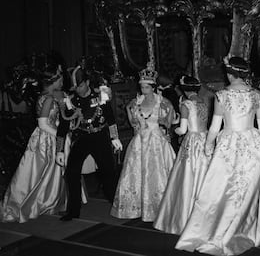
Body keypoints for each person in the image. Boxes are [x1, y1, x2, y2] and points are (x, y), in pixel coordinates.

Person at [175, 56, 260, 256]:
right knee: (246, 191)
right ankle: (241, 229)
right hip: (252, 144)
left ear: (229, 74)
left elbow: (215, 127)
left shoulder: (222, 95)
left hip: (228, 144)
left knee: (220, 189)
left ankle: (217, 230)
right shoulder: (258, 95)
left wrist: (208, 146)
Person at [0, 65, 66, 222]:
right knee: (45, 170)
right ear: (53, 82)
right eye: (60, 79)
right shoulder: (49, 98)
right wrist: (61, 134)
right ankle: (41, 201)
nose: (62, 81)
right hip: (47, 137)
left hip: (43, 136)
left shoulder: (45, 95)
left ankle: (45, 199)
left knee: (38, 172)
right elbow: (43, 123)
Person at [110, 63, 176, 221]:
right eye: (142, 87)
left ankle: (161, 206)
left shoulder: (163, 103)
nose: (143, 90)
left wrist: (163, 130)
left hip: (157, 142)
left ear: (153, 87)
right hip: (140, 141)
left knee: (158, 173)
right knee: (136, 173)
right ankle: (136, 207)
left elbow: (169, 122)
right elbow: (133, 122)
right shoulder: (134, 104)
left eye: (146, 87)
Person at [60, 66, 122, 221]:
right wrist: (59, 150)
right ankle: (73, 210)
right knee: (71, 172)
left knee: (108, 173)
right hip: (82, 137)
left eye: (80, 86)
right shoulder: (71, 101)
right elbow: (63, 125)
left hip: (100, 136)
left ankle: (118, 204)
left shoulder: (100, 96)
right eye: (75, 87)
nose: (78, 90)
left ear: (87, 82)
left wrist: (115, 138)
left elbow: (110, 117)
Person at [154, 75, 210, 234]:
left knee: (187, 176)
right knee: (203, 174)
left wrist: (175, 129)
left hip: (192, 141)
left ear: (185, 89)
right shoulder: (203, 102)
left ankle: (185, 215)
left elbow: (183, 129)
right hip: (204, 138)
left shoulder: (186, 104)